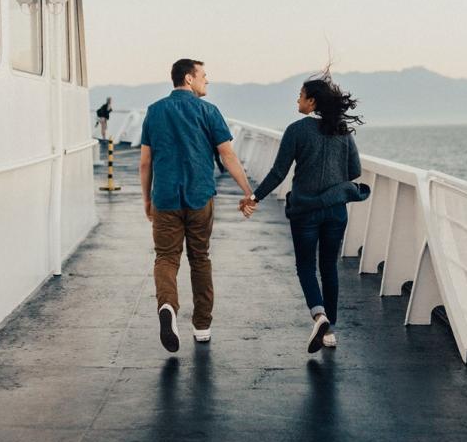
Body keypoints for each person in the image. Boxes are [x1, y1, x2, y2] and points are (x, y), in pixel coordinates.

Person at [239, 75, 370, 353]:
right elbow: (354, 171)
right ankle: (329, 330)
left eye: (300, 95)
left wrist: (254, 197)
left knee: (306, 267)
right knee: (329, 267)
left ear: (312, 102)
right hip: (335, 211)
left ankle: (319, 315)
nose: (297, 100)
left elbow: (278, 172)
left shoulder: (297, 130)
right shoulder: (342, 132)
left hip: (305, 211)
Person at [140, 59, 254, 353]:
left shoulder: (154, 111)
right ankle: (202, 325)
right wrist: (247, 191)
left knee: (166, 258)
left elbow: (145, 162)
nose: (207, 80)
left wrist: (147, 199)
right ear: (189, 79)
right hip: (200, 195)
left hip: (165, 198)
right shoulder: (209, 111)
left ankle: (167, 306)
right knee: (200, 258)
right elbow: (228, 155)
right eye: (203, 75)